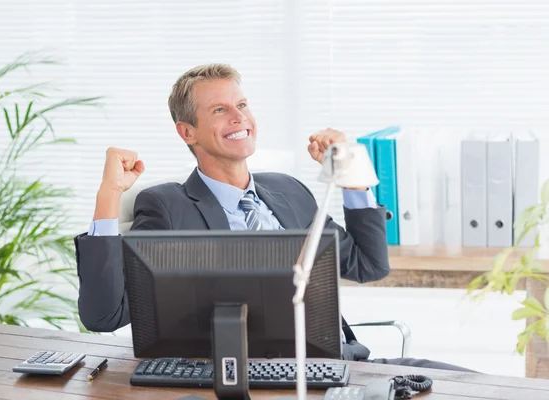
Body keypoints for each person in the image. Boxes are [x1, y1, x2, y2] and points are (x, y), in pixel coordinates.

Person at [74, 63, 474, 372]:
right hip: (248, 378)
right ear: (187, 132)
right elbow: (104, 315)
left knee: (482, 387)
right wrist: (108, 196)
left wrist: (350, 172)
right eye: (219, 110)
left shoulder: (289, 190)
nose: (238, 117)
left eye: (242, 105)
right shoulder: (166, 206)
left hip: (340, 366)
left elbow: (369, 266)